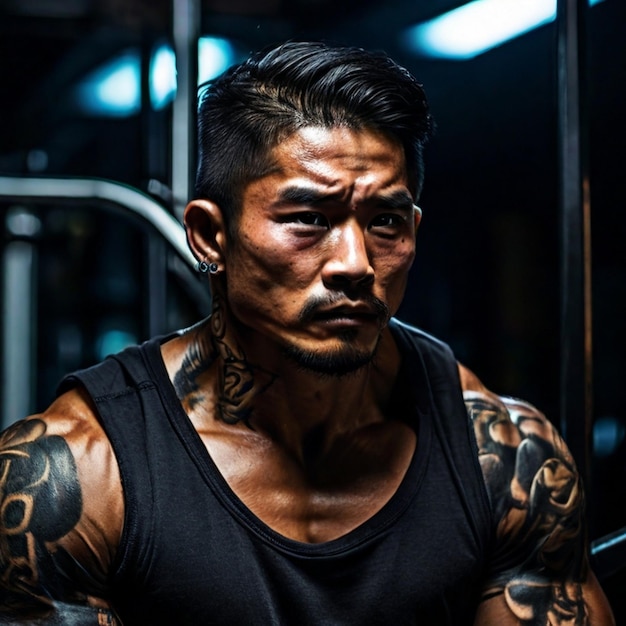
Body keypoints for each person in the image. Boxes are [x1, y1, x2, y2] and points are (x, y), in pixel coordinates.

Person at [0, 40, 615, 625]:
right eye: (309, 218)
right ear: (211, 235)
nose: (355, 262)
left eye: (385, 222)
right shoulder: (74, 478)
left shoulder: (508, 463)